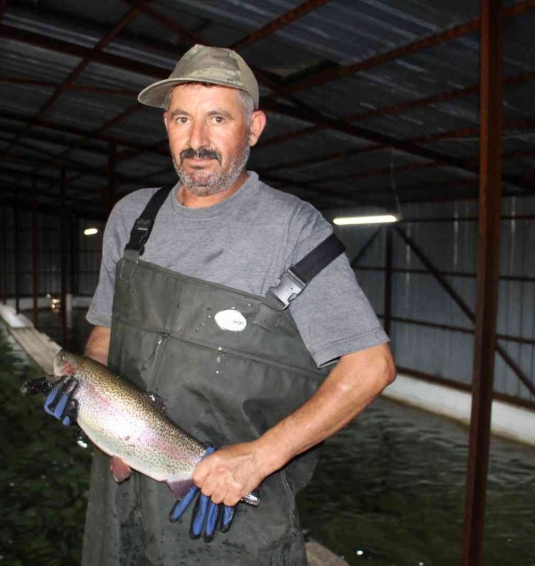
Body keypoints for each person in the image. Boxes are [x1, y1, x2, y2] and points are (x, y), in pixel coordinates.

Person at [49, 44, 395, 566]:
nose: (197, 141)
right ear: (166, 124)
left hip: (233, 512)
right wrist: (89, 387)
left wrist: (258, 459)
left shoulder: (293, 230)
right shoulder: (132, 218)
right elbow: (106, 332)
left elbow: (371, 366)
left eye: (218, 119)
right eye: (183, 119)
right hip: (122, 503)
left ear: (254, 127)